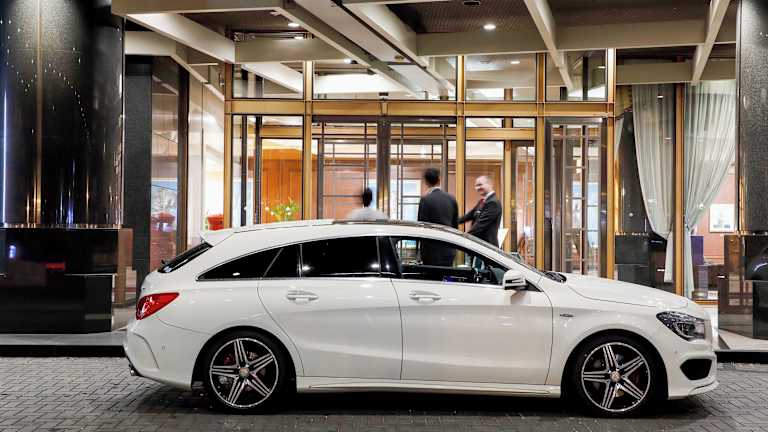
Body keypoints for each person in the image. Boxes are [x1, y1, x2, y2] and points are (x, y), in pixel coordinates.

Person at [417, 167, 458, 266]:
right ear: (439, 180)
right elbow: (455, 226)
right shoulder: (451, 199)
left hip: (430, 252)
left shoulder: (425, 200)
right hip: (449, 250)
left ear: (426, 182)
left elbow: (422, 227)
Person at [459, 175, 502, 246]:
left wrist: (464, 237)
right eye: (476, 186)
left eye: (480, 185)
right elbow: (469, 215)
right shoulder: (482, 201)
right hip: (479, 245)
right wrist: (451, 222)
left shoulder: (493, 202)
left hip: (487, 247)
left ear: (489, 184)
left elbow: (480, 225)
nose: (478, 188)